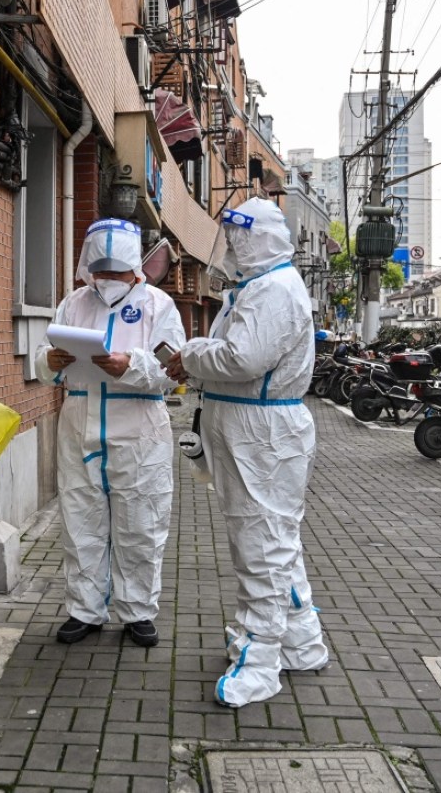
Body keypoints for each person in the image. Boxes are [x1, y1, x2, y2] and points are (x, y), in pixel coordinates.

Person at [164, 197, 328, 708]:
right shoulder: (259, 288)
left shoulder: (274, 290)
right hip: (250, 427)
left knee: (261, 544)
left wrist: (189, 355)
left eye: (238, 237)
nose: (231, 247)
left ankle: (259, 660)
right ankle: (301, 640)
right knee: (275, 540)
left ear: (258, 238)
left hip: (261, 431)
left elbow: (244, 357)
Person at [34, 218, 186, 647]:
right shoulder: (74, 303)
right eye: (100, 272)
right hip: (79, 423)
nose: (108, 281)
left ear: (135, 269)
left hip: (138, 427)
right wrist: (51, 362)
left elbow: (172, 370)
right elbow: (41, 367)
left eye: (117, 272)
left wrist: (131, 366)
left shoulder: (160, 306)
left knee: (141, 523)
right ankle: (85, 610)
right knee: (81, 521)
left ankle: (137, 612)